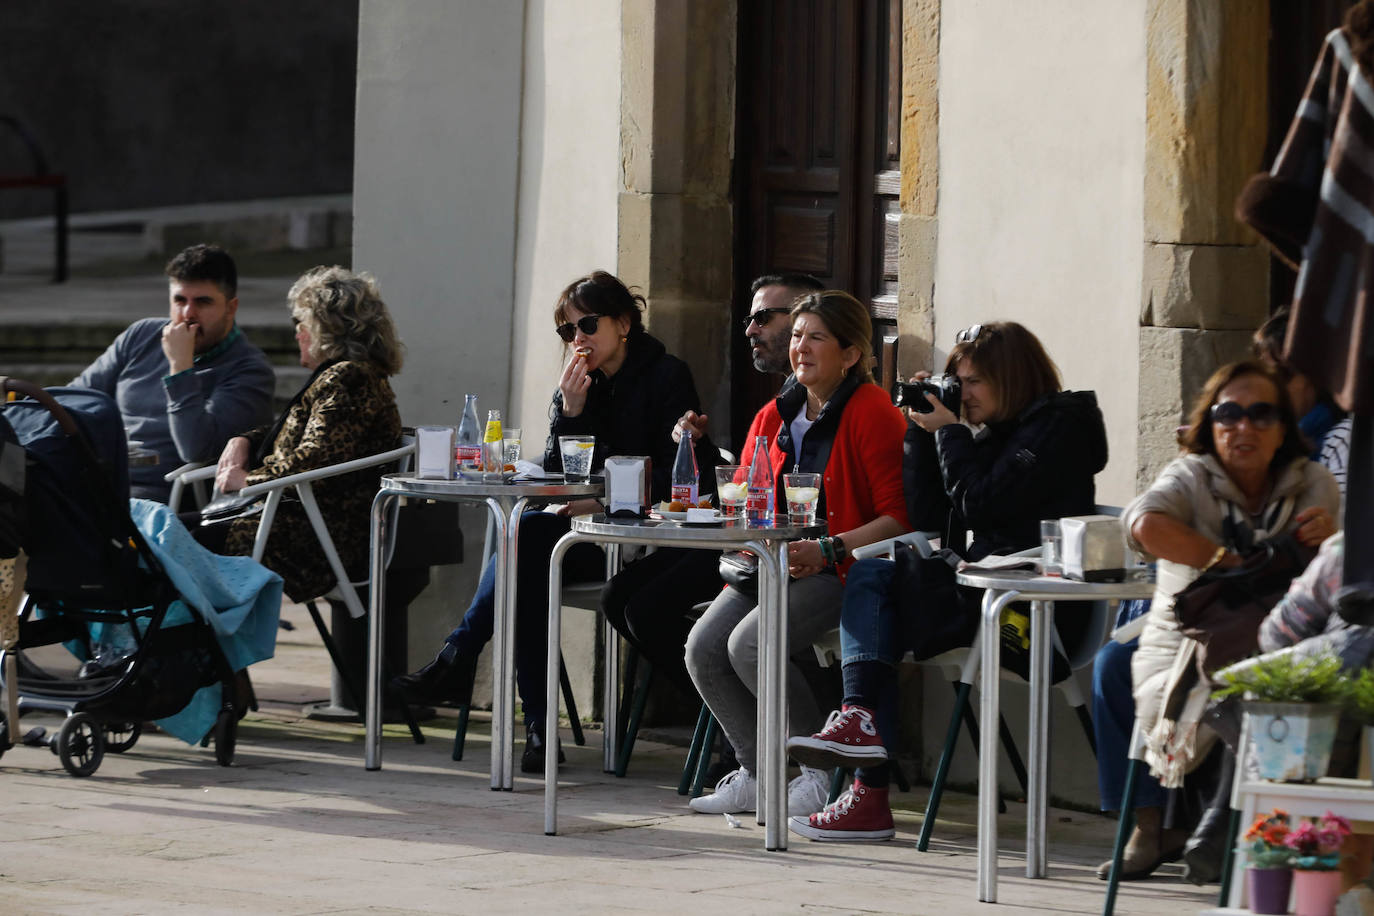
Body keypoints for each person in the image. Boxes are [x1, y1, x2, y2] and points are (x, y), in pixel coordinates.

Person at [785, 320, 1109, 841]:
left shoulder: (1057, 428)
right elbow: (931, 514)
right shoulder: (995, 434)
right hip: (982, 597)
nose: (964, 394)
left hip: (1031, 618)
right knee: (873, 583)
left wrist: (951, 434)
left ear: (1015, 378)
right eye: (958, 382)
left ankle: (866, 783)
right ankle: (861, 733)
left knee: (875, 597)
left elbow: (981, 502)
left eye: (975, 382)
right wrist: (919, 431)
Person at [392, 271, 718, 773]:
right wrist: (572, 407)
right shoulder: (575, 384)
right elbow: (555, 467)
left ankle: (465, 664)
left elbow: (678, 472)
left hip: (637, 535)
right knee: (526, 547)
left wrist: (604, 501)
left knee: (524, 548)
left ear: (624, 323)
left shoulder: (665, 374)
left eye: (587, 324)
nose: (577, 340)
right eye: (567, 331)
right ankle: (536, 726)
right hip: (579, 532)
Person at [1101, 360, 1338, 882]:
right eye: (1229, 413)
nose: (1244, 427)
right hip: (1188, 627)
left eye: (1261, 414)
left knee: (1261, 681)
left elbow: (1331, 573)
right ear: (1210, 424)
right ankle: (1149, 824)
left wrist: (1328, 534)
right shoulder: (1191, 475)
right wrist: (1225, 560)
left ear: (1283, 430)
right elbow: (1141, 523)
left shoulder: (1313, 483)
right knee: (1112, 670)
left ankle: (1221, 824)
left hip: (1284, 626)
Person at [684, 289, 910, 819]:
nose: (800, 347)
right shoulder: (774, 413)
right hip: (772, 565)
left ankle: (818, 774)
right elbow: (743, 496)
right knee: (703, 648)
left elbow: (899, 518)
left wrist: (828, 547)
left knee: (750, 645)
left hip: (846, 568)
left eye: (817, 337)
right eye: (799, 336)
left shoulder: (873, 411)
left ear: (851, 354)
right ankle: (761, 772)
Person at [600, 273, 824, 712]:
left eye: (763, 317)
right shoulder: (777, 405)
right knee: (620, 598)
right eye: (749, 319)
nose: (750, 330)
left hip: (790, 552)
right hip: (747, 544)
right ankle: (725, 714)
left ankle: (737, 722)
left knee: (648, 609)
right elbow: (739, 489)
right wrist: (696, 445)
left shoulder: (827, 404)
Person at [205, 266, 404, 604]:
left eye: (301, 323)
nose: (296, 333)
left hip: (310, 540)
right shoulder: (345, 377)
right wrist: (247, 440)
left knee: (172, 544)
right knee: (165, 536)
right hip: (292, 523)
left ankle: (192, 649)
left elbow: (314, 459)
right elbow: (298, 435)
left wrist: (246, 480)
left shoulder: (349, 378)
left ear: (326, 329)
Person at [72, 244, 276, 502]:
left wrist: (180, 368)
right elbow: (76, 397)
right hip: (98, 477)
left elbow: (196, 449)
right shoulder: (141, 335)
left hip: (164, 500)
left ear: (231, 308)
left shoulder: (249, 370)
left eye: (203, 302)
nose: (188, 314)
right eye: (180, 301)